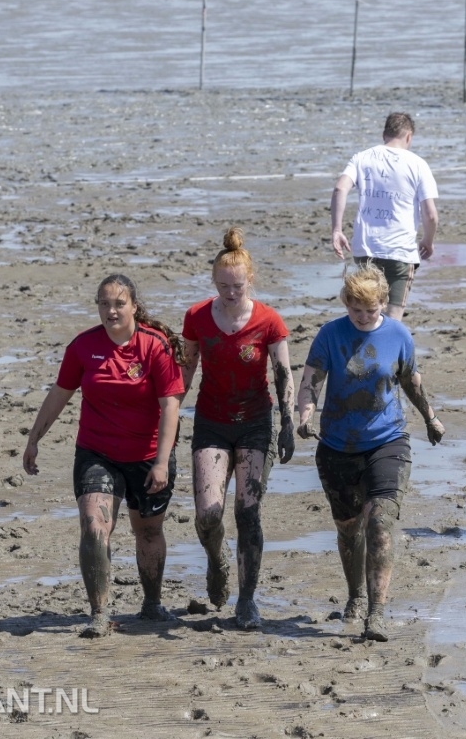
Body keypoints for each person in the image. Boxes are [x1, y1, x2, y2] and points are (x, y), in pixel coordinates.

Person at [22, 274, 184, 637]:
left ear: (134, 307)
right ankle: (99, 612)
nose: (111, 311)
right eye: (104, 304)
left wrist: (162, 462)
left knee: (148, 531)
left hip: (147, 455)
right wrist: (34, 439)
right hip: (97, 453)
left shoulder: (155, 346)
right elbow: (59, 394)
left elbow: (170, 407)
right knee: (94, 525)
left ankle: (152, 604)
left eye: (119, 304)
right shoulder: (83, 346)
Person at [296, 263, 445, 641]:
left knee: (380, 522)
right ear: (345, 302)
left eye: (371, 309)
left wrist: (430, 417)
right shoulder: (330, 334)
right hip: (337, 447)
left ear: (384, 303)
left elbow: (411, 381)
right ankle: (356, 596)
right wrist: (305, 414)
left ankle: (376, 613)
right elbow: (311, 380)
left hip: (387, 441)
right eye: (355, 309)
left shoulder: (398, 334)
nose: (362, 316)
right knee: (349, 531)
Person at [181, 227, 295, 630]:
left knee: (248, 512)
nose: (231, 292)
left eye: (238, 285)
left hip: (255, 424)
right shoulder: (196, 317)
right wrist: (167, 417)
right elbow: (186, 370)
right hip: (211, 423)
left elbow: (284, 373)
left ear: (251, 280)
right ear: (214, 281)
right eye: (224, 285)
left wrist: (288, 423)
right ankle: (217, 561)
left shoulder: (268, 320)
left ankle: (247, 601)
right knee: (208, 514)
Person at [330, 112, 439, 321]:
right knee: (392, 317)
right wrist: (428, 240)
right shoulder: (418, 164)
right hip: (400, 251)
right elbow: (431, 215)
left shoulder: (361, 158)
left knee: (366, 312)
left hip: (366, 248)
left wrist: (337, 229)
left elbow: (340, 188)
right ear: (409, 136)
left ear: (384, 135)